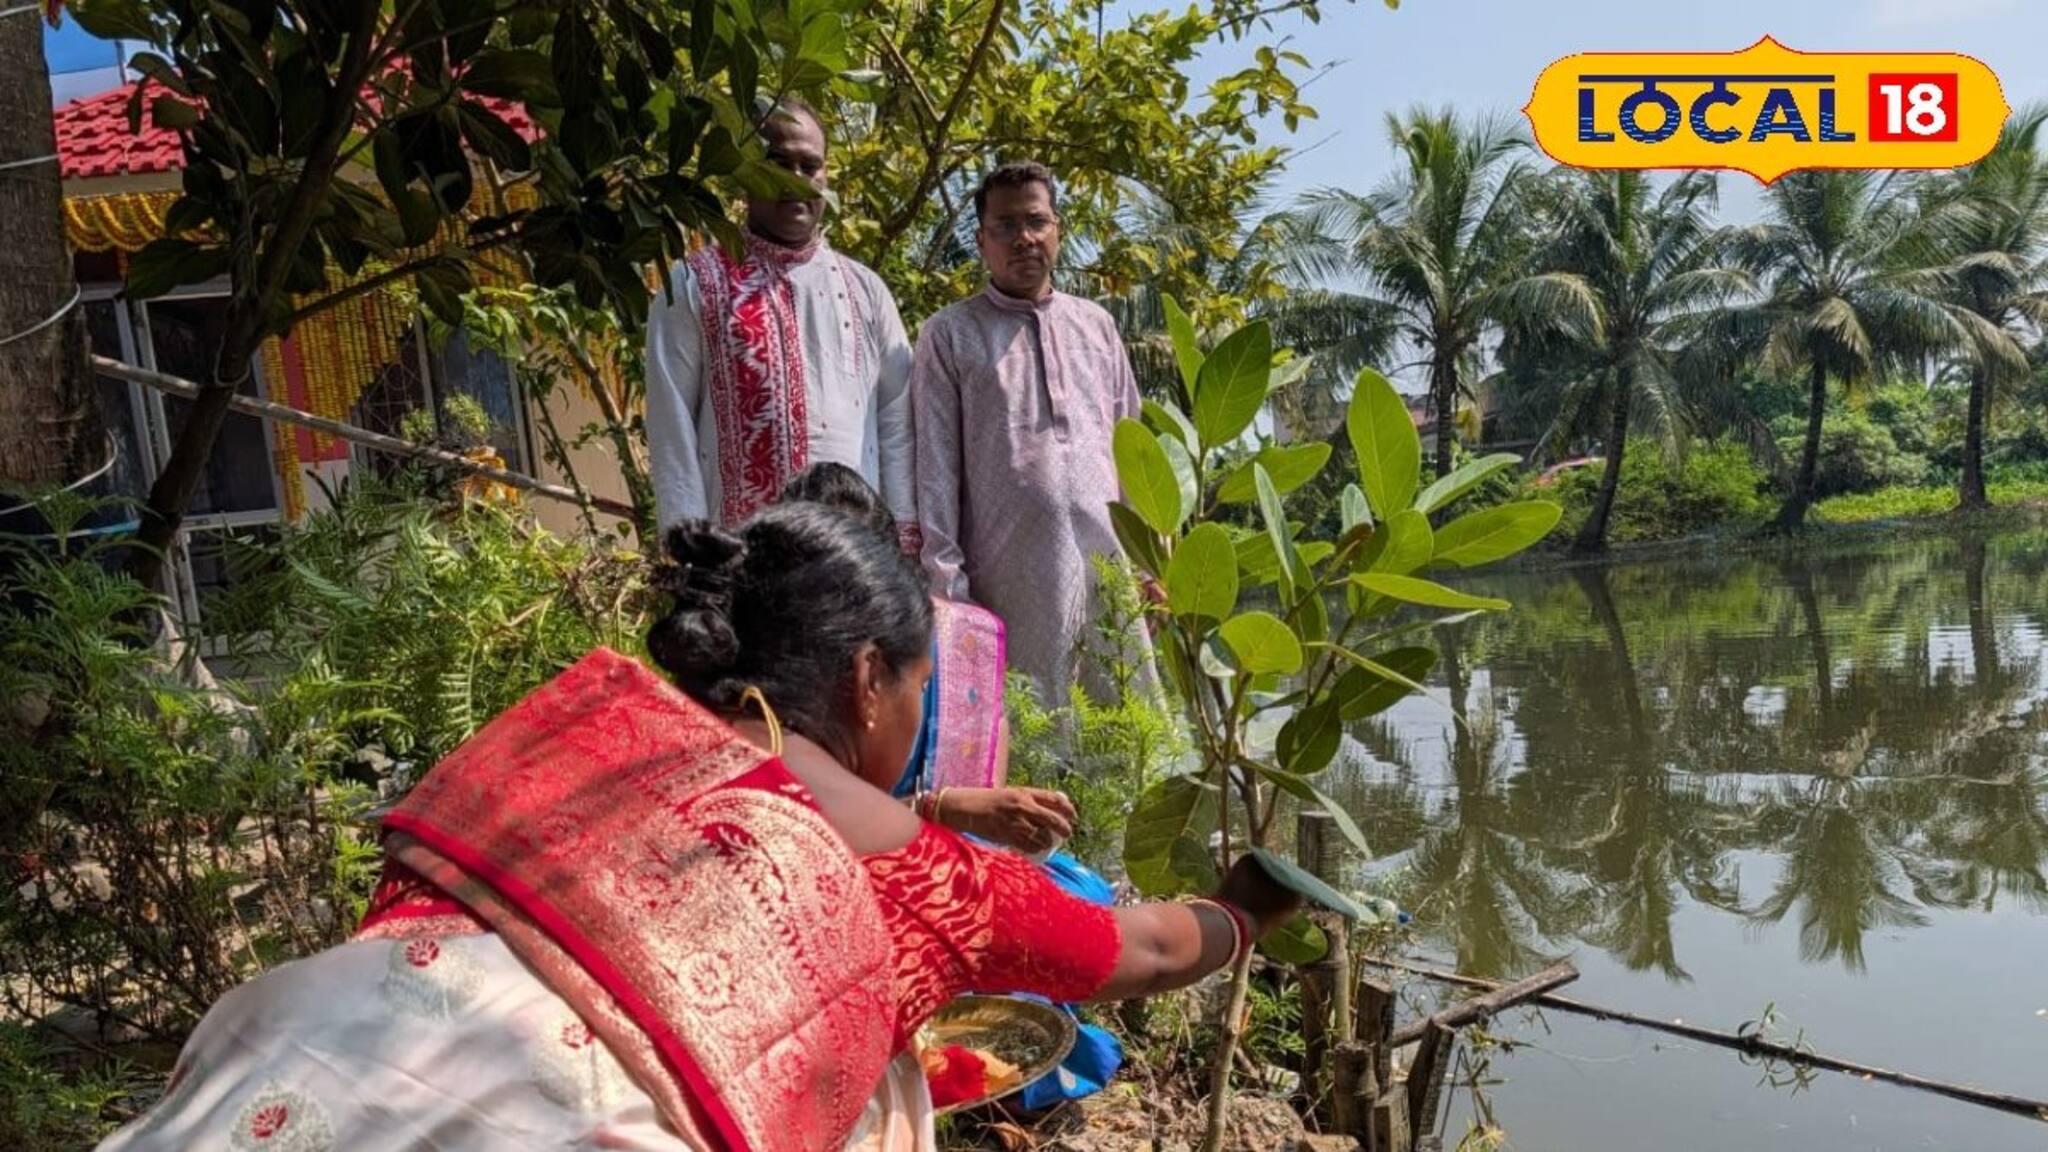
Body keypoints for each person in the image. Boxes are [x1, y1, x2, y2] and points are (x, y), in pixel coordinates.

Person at [96, 505, 1299, 1152]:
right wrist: (1245, 911)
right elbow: (1136, 950)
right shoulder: (921, 874)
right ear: (871, 678)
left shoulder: (575, 729)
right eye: (922, 689)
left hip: (279, 1058)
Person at [911, 161, 1154, 707]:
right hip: (1007, 581)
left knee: (1124, 736)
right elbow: (935, 469)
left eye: (1036, 221)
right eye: (1005, 226)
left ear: (1057, 229)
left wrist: (1149, 566)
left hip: (1108, 570)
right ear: (981, 240)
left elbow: (1133, 450)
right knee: (1028, 738)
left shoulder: (1097, 327)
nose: (1023, 238)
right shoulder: (949, 335)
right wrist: (949, 593)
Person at [645, 96, 918, 550]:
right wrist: (689, 551)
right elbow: (670, 423)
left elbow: (897, 421)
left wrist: (904, 542)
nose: (796, 180)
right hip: (738, 561)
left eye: (810, 166)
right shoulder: (696, 282)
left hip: (850, 564)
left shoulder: (866, 292)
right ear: (745, 172)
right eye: (778, 163)